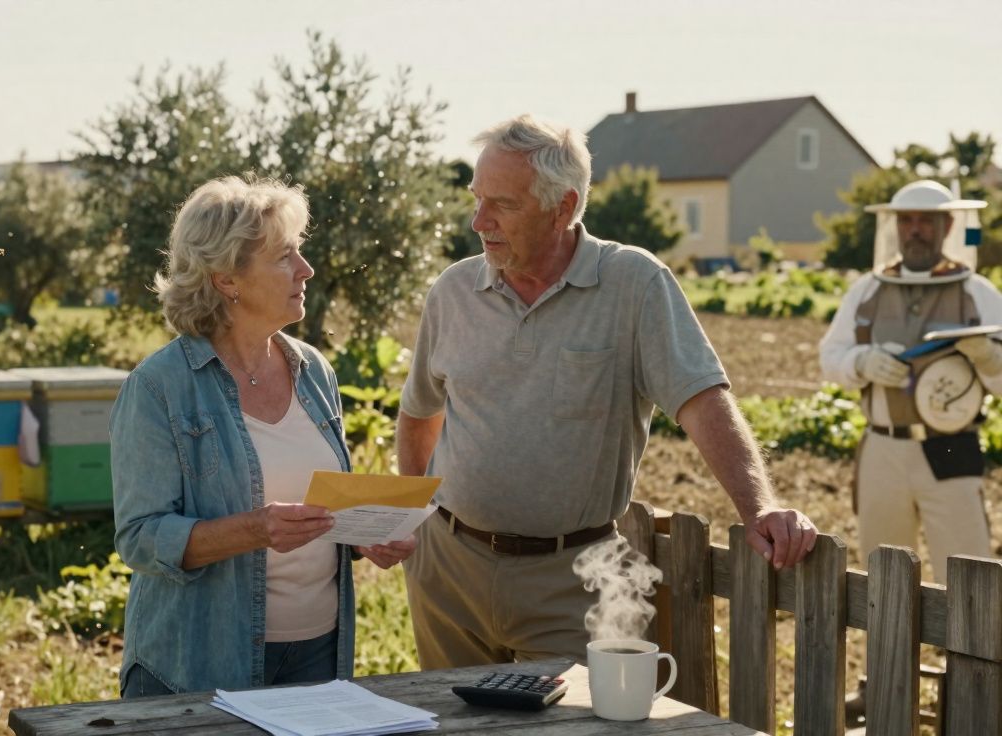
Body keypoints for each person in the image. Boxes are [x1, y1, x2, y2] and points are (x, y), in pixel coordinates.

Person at [397, 114, 818, 669]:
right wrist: (407, 521)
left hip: (573, 581)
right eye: (477, 200)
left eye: (503, 204)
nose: (480, 221)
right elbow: (419, 413)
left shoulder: (634, 284)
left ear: (564, 208)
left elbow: (701, 400)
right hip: (449, 572)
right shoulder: (454, 290)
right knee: (452, 726)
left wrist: (758, 505)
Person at [110, 175, 415, 697]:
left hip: (320, 651)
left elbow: (316, 506)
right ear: (227, 278)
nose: (306, 269)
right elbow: (139, 538)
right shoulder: (159, 386)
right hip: (201, 660)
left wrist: (364, 534)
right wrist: (255, 529)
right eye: (284, 257)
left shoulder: (314, 370)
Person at [819, 179, 998, 582]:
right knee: (884, 578)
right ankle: (891, 648)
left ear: (948, 227)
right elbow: (829, 358)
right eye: (907, 220)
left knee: (969, 577)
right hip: (882, 446)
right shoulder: (866, 290)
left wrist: (988, 357)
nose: (915, 229)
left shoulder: (978, 293)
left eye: (926, 221)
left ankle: (969, 648)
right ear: (894, 226)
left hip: (951, 446)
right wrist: (861, 361)